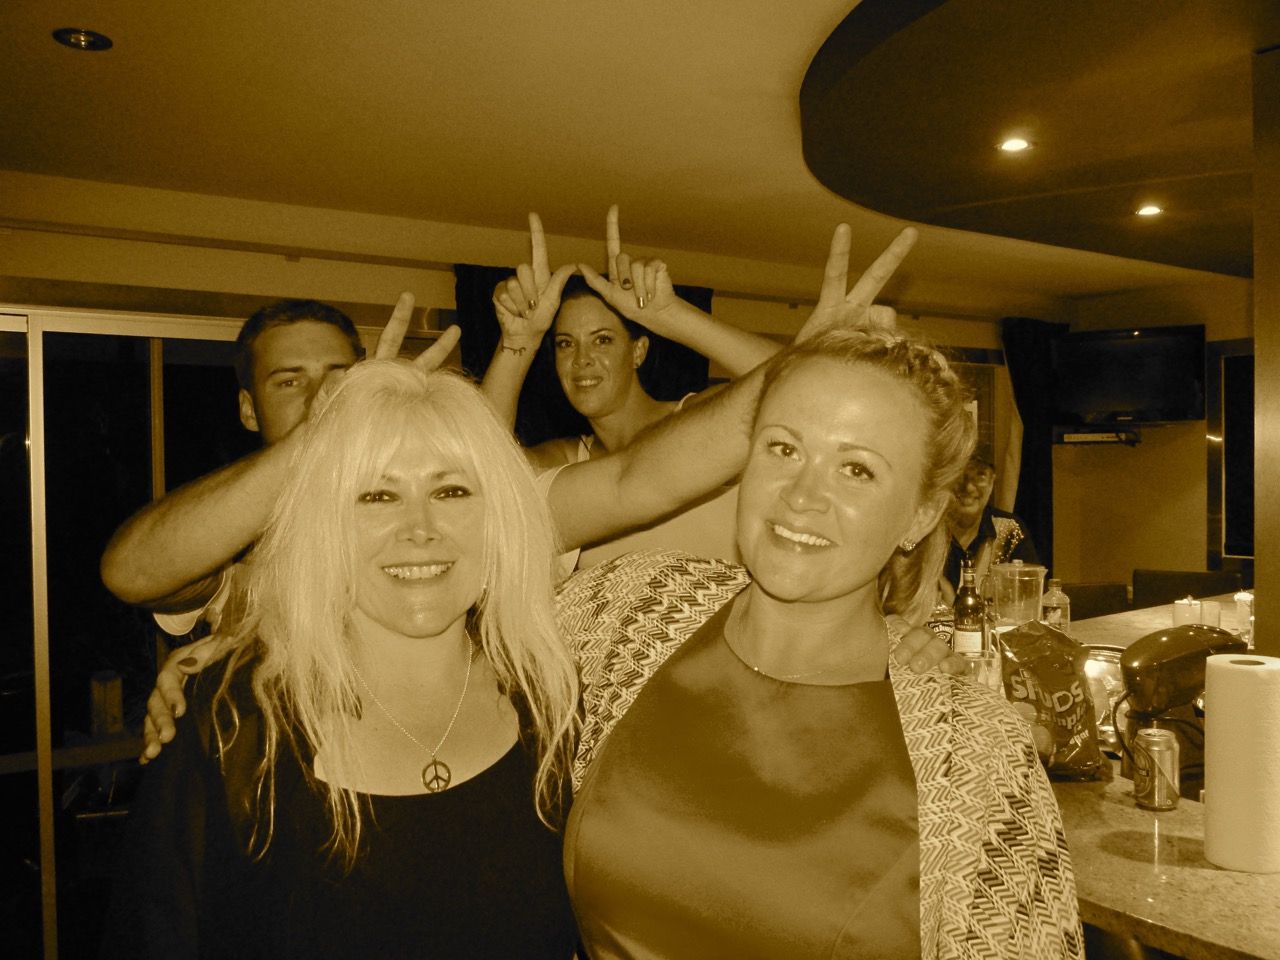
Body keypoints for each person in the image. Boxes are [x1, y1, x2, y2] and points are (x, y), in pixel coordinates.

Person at [106, 224, 956, 959]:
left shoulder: (563, 694)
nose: (419, 531)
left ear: (500, 522)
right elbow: (135, 570)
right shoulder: (229, 729)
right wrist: (335, 438)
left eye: (452, 492)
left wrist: (905, 662)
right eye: (374, 495)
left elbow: (642, 488)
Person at [552, 326, 1082, 958]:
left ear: (919, 515)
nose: (802, 496)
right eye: (783, 448)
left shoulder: (974, 755)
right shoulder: (628, 609)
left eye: (856, 469)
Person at [483, 208, 780, 567]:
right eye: (565, 343)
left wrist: (672, 316)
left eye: (602, 340)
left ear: (638, 351)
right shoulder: (567, 461)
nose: (581, 359)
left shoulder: (702, 417)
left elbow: (800, 386)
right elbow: (480, 465)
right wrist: (520, 341)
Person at [100, 297, 374, 634]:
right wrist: (312, 438)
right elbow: (130, 572)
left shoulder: (415, 500)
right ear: (249, 410)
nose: (322, 397)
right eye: (289, 382)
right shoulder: (237, 538)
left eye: (340, 380)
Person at [942, 452, 1039, 595]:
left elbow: (1029, 595)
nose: (969, 487)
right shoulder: (926, 530)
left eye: (980, 475)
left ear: (992, 480)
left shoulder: (1010, 529)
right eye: (960, 475)